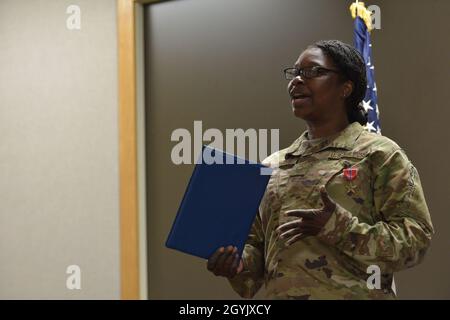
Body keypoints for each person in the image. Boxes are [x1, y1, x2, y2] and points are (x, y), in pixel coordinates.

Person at [205, 40, 434, 299]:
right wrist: (237, 263)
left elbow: (415, 240)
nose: (297, 81)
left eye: (313, 72)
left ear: (346, 88)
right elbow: (258, 248)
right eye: (294, 73)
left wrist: (336, 226)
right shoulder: (273, 166)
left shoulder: (379, 155)